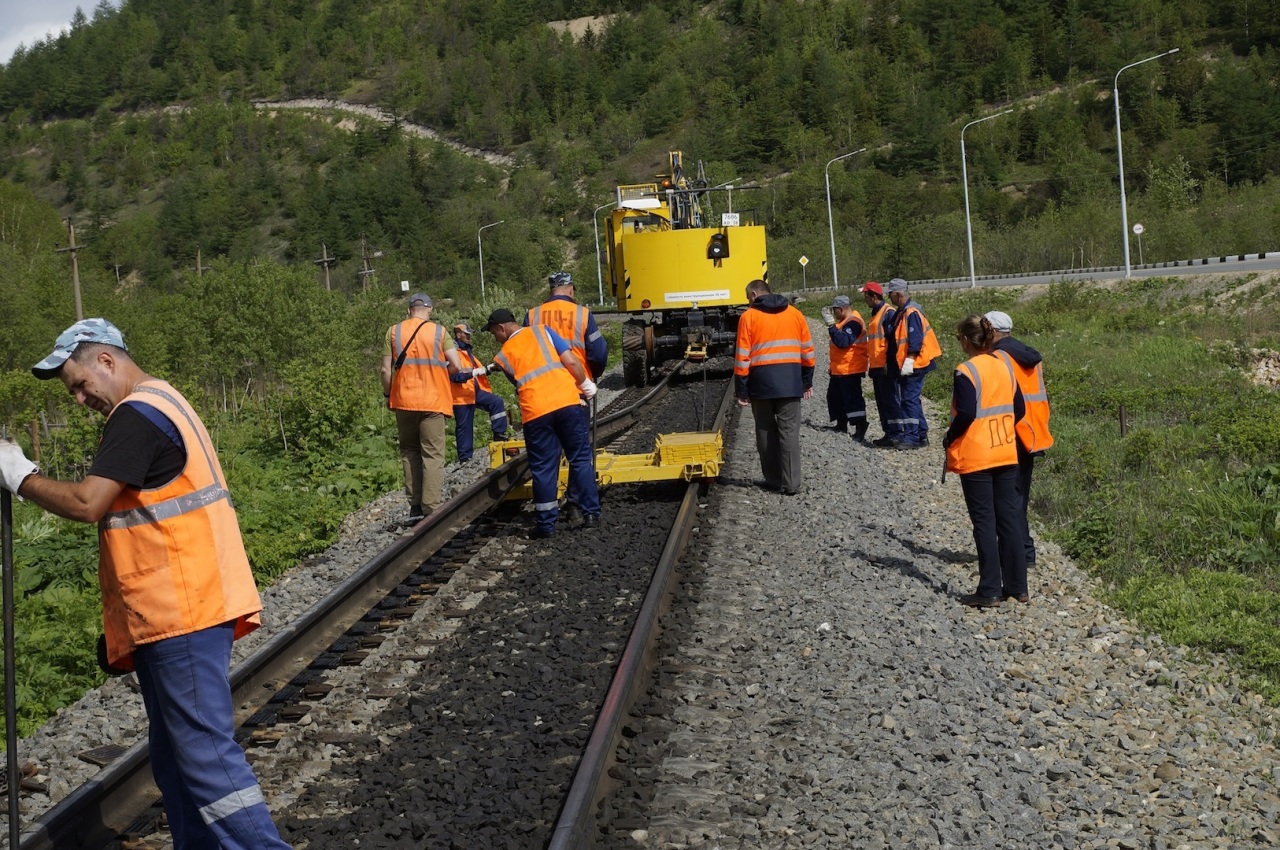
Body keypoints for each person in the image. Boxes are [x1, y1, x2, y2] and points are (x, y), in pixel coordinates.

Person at [0, 319, 292, 850]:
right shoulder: (165, 400)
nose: (81, 399)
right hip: (177, 606)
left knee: (203, 756)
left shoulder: (137, 415)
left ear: (105, 361)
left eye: (81, 385)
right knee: (176, 757)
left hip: (181, 608)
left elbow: (89, 503)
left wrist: (20, 477)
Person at [483, 308, 601, 539]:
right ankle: (590, 514)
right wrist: (586, 386)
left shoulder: (503, 355)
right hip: (568, 403)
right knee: (580, 459)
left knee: (544, 468)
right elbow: (571, 362)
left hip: (536, 412)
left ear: (502, 328)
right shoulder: (543, 332)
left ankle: (546, 526)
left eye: (493, 333)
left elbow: (518, 383)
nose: (495, 337)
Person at [943, 314, 1028, 608]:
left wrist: (949, 437)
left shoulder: (966, 370)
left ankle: (989, 589)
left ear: (966, 340)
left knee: (984, 523)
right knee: (1009, 520)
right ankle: (1018, 587)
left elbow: (966, 413)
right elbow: (1019, 409)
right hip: (1006, 451)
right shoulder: (1004, 365)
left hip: (977, 455)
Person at [380, 292, 464, 519]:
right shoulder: (439, 332)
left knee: (409, 451)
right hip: (434, 400)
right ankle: (431, 507)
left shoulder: (394, 331)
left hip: (404, 400)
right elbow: (456, 365)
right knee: (433, 454)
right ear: (430, 309)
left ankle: (415, 506)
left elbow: (386, 370)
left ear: (408, 310)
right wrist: (440, 374)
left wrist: (388, 394)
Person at [734, 279, 815, 495]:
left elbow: (743, 356)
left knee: (765, 431)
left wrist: (741, 389)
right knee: (789, 433)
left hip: (761, 383)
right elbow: (807, 350)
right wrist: (806, 381)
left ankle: (773, 479)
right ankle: (792, 484)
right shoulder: (795, 314)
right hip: (790, 381)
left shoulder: (748, 316)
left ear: (753, 295)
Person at [986, 310, 1054, 569]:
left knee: (1006, 498)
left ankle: (1022, 554)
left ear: (991, 331)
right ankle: (1023, 551)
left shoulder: (999, 358)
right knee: (1017, 498)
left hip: (1008, 434)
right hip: (1032, 433)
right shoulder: (1029, 354)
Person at [883, 278, 942, 450]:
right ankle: (921, 433)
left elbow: (915, 340)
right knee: (911, 399)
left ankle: (912, 437)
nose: (889, 297)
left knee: (908, 400)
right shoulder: (903, 312)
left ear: (898, 294)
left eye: (891, 293)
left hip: (915, 364)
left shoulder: (911, 313)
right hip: (909, 364)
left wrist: (909, 359)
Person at [525, 271, 608, 380]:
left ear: (551, 292)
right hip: (577, 384)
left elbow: (525, 353)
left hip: (544, 386)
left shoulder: (532, 315)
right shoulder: (582, 313)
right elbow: (598, 354)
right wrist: (594, 373)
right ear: (570, 289)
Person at [449, 322, 509, 462]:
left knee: (496, 402)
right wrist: (479, 371)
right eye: (467, 333)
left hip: (473, 391)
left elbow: (476, 371)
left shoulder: (466, 352)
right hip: (461, 396)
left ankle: (499, 434)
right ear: (458, 334)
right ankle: (465, 459)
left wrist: (489, 368)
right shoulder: (452, 353)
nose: (470, 336)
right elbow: (454, 377)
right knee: (464, 427)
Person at [819, 294, 869, 441]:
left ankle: (860, 426)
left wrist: (830, 325)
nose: (834, 314)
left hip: (851, 368)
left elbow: (843, 342)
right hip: (840, 368)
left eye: (835, 311)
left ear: (841, 309)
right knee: (835, 397)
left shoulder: (854, 322)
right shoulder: (845, 322)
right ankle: (841, 424)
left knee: (852, 399)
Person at [860, 281, 903, 447]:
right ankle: (888, 432)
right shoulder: (876, 313)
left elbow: (892, 341)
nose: (865, 299)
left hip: (885, 366)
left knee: (891, 400)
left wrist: (888, 362)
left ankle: (897, 433)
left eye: (866, 296)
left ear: (874, 296)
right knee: (882, 401)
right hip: (877, 366)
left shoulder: (888, 313)